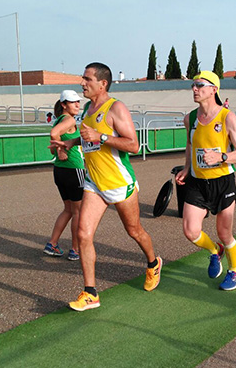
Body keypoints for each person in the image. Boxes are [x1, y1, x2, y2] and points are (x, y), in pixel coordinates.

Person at [53, 62, 162, 311]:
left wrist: (101, 137)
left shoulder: (116, 108)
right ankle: (90, 292)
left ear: (102, 83)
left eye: (87, 79)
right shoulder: (87, 110)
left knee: (134, 231)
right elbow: (87, 137)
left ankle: (153, 263)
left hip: (118, 183)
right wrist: (71, 144)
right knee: (83, 234)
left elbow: (133, 145)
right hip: (94, 183)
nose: (82, 83)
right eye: (82, 78)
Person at [175, 70, 236, 291]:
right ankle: (214, 250)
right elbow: (190, 145)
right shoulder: (190, 118)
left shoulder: (227, 117)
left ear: (213, 89)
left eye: (200, 85)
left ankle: (234, 271)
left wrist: (222, 157)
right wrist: (187, 168)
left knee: (225, 232)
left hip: (223, 182)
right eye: (193, 85)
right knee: (190, 231)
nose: (195, 89)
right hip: (198, 183)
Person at [44, 90, 85, 261]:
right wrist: (61, 151)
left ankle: (52, 244)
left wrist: (57, 149)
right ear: (63, 104)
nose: (77, 105)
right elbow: (54, 134)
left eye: (78, 101)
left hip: (60, 171)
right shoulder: (68, 119)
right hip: (73, 169)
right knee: (78, 212)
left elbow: (53, 139)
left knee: (68, 210)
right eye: (73, 102)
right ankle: (75, 250)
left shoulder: (60, 119)